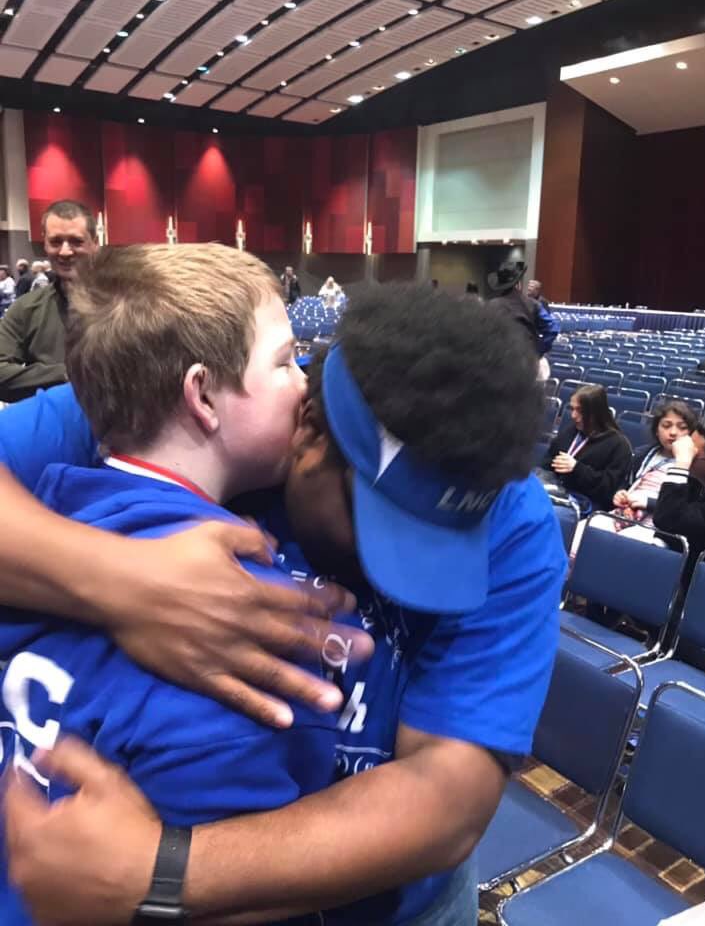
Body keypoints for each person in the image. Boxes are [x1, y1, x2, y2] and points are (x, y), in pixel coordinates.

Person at [2, 281, 564, 926]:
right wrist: (122, 580)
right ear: (309, 434)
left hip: (394, 902)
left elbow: (447, 798)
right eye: (383, 527)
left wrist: (157, 872)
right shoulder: (217, 407)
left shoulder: (506, 509)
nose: (406, 575)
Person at [0, 200, 98, 402]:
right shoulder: (26, 309)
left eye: (76, 241)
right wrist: (67, 375)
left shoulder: (127, 302)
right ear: (45, 243)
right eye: (56, 242)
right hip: (53, 427)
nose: (65, 251)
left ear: (94, 243)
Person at [610, 400, 697, 533]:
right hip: (626, 513)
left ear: (691, 433)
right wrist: (620, 493)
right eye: (666, 426)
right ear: (657, 430)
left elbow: (688, 508)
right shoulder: (642, 454)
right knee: (587, 527)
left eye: (682, 427)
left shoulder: (695, 464)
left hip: (660, 526)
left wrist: (648, 502)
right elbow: (627, 483)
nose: (673, 432)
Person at [544, 384, 632, 512]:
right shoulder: (571, 431)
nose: (573, 415)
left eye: (580, 410)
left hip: (587, 501)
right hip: (556, 491)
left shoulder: (619, 444)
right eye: (572, 409)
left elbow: (609, 489)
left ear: (596, 413)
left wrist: (577, 468)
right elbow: (547, 462)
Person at [653, 419, 705, 565]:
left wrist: (681, 465)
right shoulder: (699, 482)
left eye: (692, 453)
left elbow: (666, 520)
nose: (684, 453)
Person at [487, 263, 559, 378]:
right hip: (527, 363)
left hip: (500, 364)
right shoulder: (534, 305)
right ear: (518, 284)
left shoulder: (491, 306)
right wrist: (538, 351)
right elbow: (552, 329)